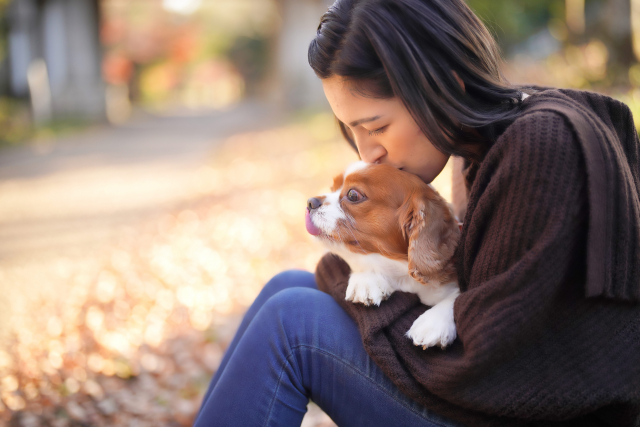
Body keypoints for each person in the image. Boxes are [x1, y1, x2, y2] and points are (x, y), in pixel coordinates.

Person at [194, 0, 640, 426]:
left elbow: (483, 358)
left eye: (376, 127)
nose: (369, 153)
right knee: (285, 285)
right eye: (352, 131)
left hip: (518, 410)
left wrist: (342, 273)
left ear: (441, 83)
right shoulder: (477, 147)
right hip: (486, 393)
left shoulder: (540, 148)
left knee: (292, 319)